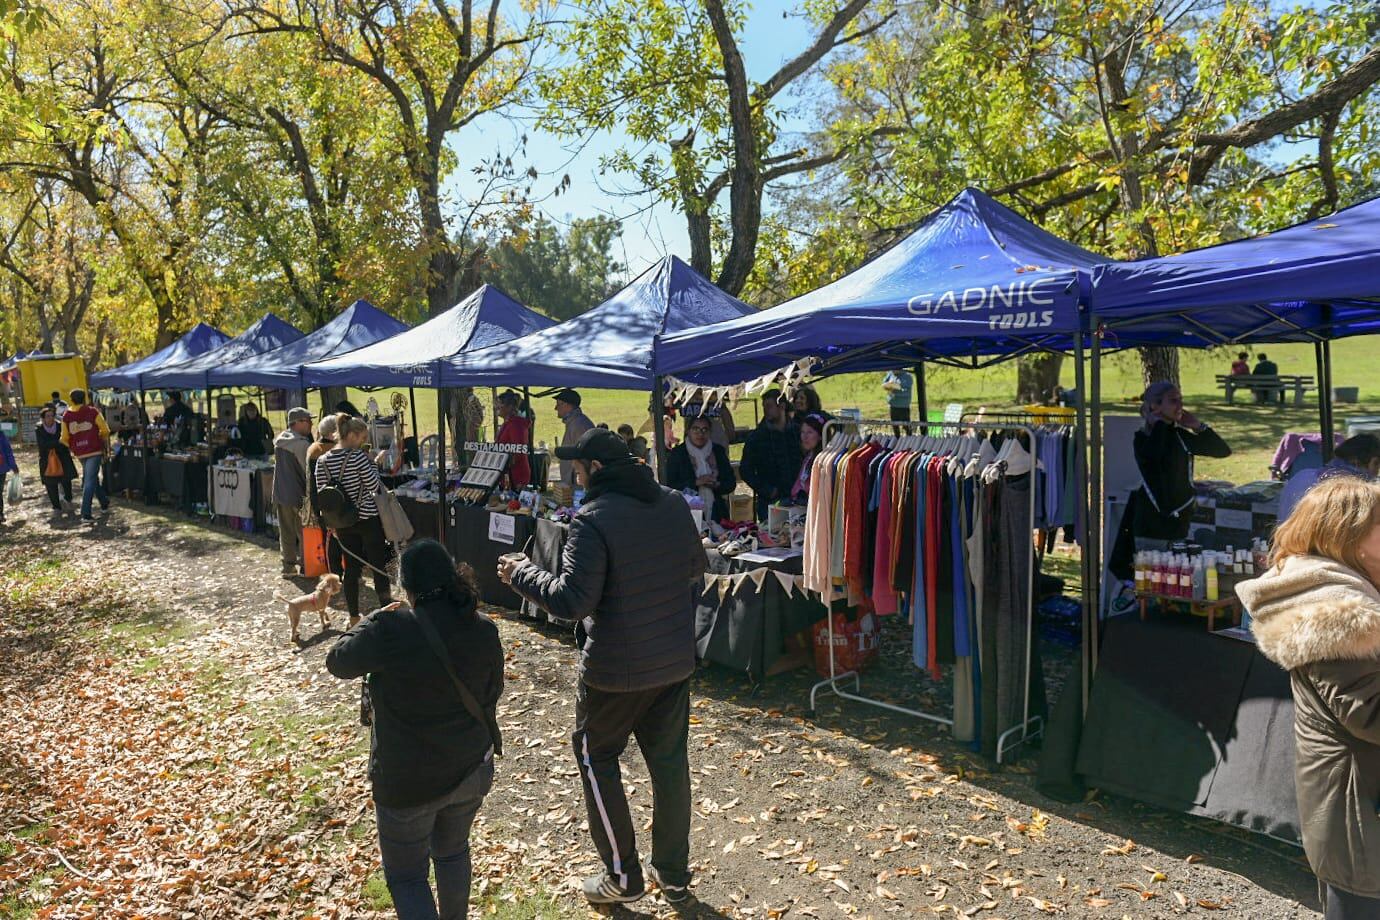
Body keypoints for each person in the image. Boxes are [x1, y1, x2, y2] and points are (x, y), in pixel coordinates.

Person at [498, 428, 706, 906]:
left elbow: (572, 600)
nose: (573, 474)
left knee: (596, 759)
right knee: (670, 766)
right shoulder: (673, 502)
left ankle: (623, 875)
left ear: (594, 470)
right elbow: (695, 568)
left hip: (616, 671)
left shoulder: (593, 519)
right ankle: (673, 875)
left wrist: (519, 573)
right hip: (673, 661)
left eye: (577, 467)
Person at [326, 540, 503, 920]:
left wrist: (374, 617)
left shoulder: (389, 628)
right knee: (453, 851)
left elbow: (337, 660)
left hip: (407, 781)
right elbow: (494, 691)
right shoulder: (483, 627)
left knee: (407, 877)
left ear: (406, 586)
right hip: (472, 765)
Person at [1235, 476, 1380, 919]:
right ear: (1350, 537)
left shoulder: (1358, 589)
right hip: (1361, 813)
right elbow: (1370, 715)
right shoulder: (1338, 613)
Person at [1131, 381, 1231, 546]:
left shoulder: (1179, 435)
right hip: (1151, 526)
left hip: (1180, 524)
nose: (1180, 405)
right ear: (1155, 406)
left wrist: (1199, 427)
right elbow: (1153, 456)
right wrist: (1159, 423)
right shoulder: (1142, 438)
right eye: (1173, 401)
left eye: (1181, 400)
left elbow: (1222, 451)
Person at [315, 414, 392, 626]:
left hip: (342, 522)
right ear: (351, 435)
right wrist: (376, 464)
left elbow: (323, 495)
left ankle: (353, 615)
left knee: (351, 569)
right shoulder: (358, 457)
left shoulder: (322, 461)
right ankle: (387, 609)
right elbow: (373, 486)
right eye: (362, 437)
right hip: (367, 518)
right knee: (378, 565)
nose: (363, 442)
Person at [1278, 434, 1380, 522]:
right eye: (1376, 464)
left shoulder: (1303, 475)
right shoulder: (1349, 493)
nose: (1376, 472)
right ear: (1356, 462)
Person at [739, 389, 799, 519]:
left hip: (798, 497)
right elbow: (745, 470)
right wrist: (767, 490)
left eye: (769, 406)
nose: (766, 410)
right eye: (764, 407)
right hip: (769, 501)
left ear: (782, 406)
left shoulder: (797, 432)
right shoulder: (757, 437)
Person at [667, 416, 736, 522]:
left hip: (717, 513)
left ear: (710, 432)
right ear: (688, 431)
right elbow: (670, 487)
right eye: (695, 429)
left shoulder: (718, 451)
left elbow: (730, 483)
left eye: (705, 429)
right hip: (687, 513)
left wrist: (716, 485)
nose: (700, 434)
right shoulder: (677, 454)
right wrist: (696, 482)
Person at [273, 407, 315, 576]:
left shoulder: (279, 440)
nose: (311, 424)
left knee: (286, 532)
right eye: (307, 421)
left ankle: (288, 566)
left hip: (281, 492)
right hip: (298, 494)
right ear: (297, 423)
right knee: (304, 532)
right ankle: (307, 566)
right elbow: (308, 472)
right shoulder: (302, 444)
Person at [60, 388, 110, 523]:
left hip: (80, 452)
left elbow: (64, 437)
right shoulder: (93, 411)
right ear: (85, 398)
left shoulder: (66, 415)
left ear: (71, 400)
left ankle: (104, 502)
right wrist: (100, 438)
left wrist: (73, 446)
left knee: (91, 477)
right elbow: (105, 430)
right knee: (89, 480)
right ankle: (86, 513)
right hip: (94, 450)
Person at [35, 406, 76, 516]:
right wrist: (58, 442)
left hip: (63, 457)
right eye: (48, 416)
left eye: (52, 415)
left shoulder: (60, 426)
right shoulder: (39, 429)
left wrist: (54, 444)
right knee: (50, 483)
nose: (51, 418)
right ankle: (56, 507)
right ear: (43, 418)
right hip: (47, 460)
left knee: (66, 481)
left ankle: (68, 500)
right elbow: (43, 445)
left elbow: (66, 440)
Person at [554, 388, 594, 486]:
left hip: (577, 484)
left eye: (559, 404)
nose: (555, 408)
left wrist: (576, 480)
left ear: (567, 405)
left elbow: (584, 457)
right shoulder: (575, 422)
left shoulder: (579, 425)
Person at [494, 390, 532, 490]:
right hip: (508, 473)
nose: (496, 407)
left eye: (499, 404)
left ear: (509, 407)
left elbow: (518, 451)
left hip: (516, 475)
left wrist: (503, 466)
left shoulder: (516, 425)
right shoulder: (508, 423)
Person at [792, 413, 826, 502]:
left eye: (810, 432)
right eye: (802, 432)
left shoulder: (823, 462)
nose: (804, 437)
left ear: (820, 436)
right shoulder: (808, 457)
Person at [0, 425, 16, 524]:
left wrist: (13, 465)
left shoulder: (1, 435)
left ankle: (0, 514)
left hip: (1, 469)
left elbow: (8, 450)